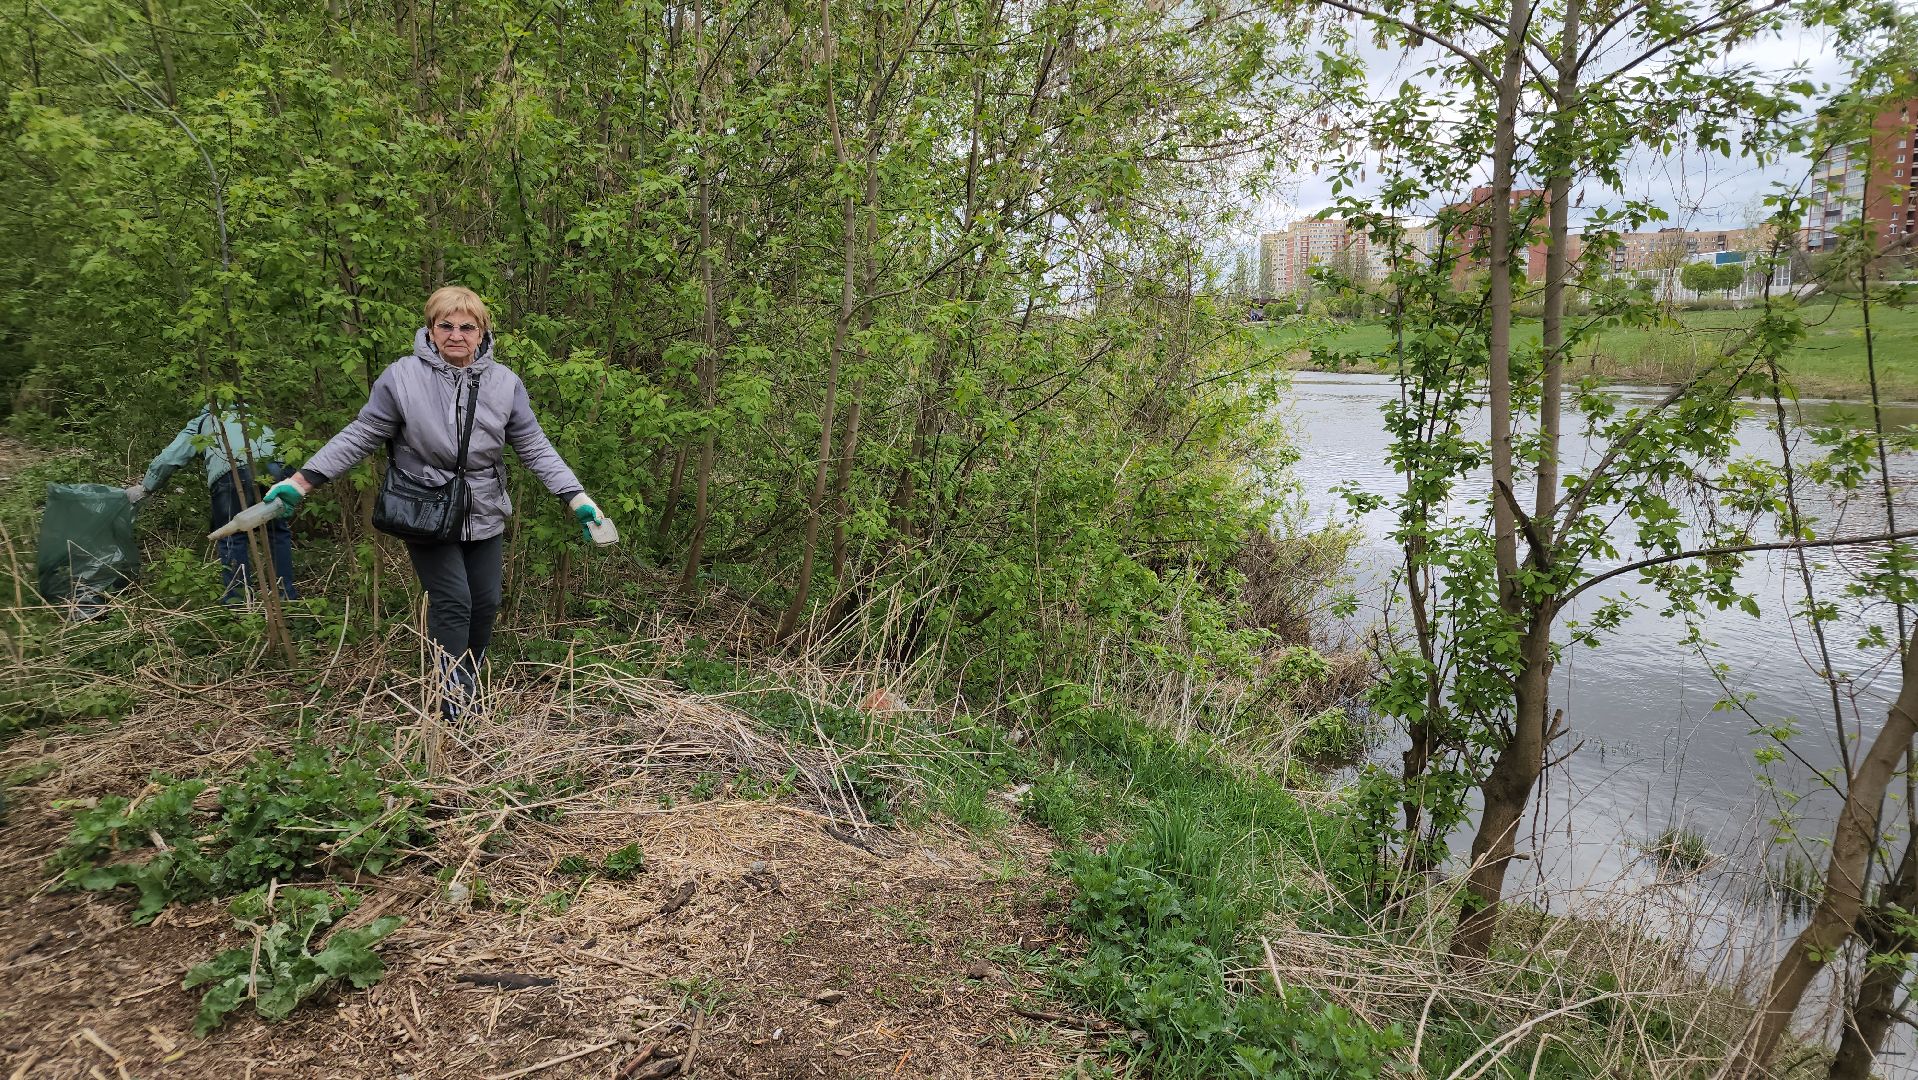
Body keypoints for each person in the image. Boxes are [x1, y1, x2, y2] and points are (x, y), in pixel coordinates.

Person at [264, 286, 611, 713]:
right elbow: (361, 434)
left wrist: (577, 498)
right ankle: (454, 701)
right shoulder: (402, 377)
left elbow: (535, 446)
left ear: (483, 332)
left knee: (485, 602)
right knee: (453, 600)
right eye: (445, 326)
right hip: (423, 508)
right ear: (430, 330)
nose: (456, 335)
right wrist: (302, 481)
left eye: (467, 327)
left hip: (482, 506)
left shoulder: (505, 383)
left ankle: (467, 679)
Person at [132, 403, 298, 602]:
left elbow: (170, 458)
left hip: (233, 472)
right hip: (279, 469)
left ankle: (238, 603)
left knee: (233, 535)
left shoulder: (204, 421)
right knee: (277, 532)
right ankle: (285, 597)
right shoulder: (251, 417)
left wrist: (146, 487)